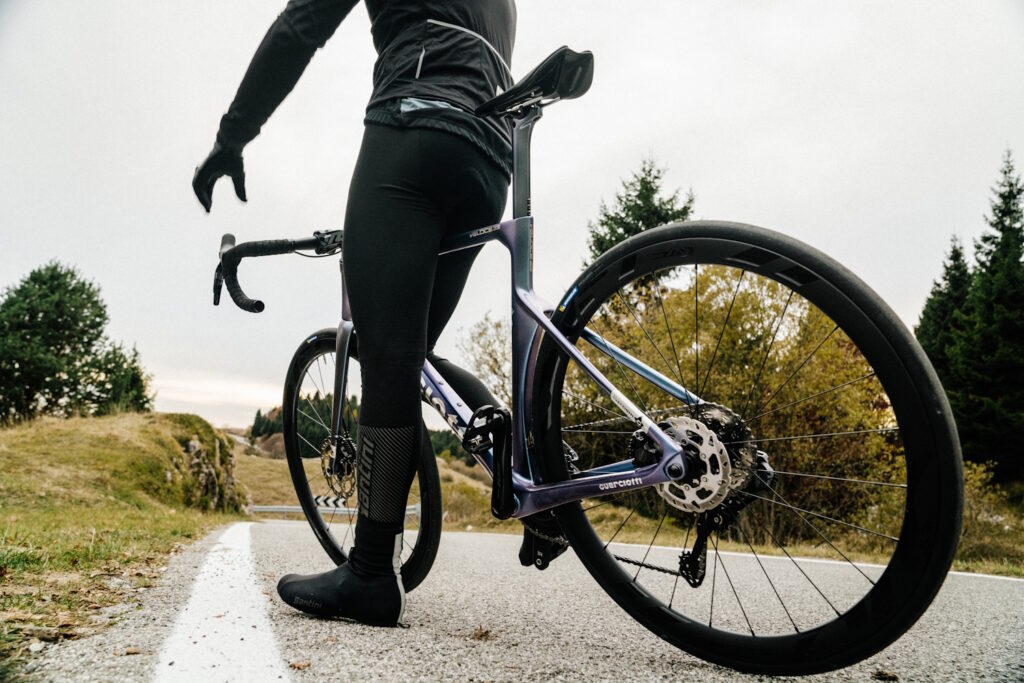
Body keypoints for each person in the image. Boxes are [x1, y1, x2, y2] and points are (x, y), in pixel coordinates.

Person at [193, 0, 565, 628]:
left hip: (415, 126)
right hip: (489, 157)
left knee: (386, 354)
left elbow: (298, 29)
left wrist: (231, 139)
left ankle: (369, 572)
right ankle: (537, 485)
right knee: (410, 350)